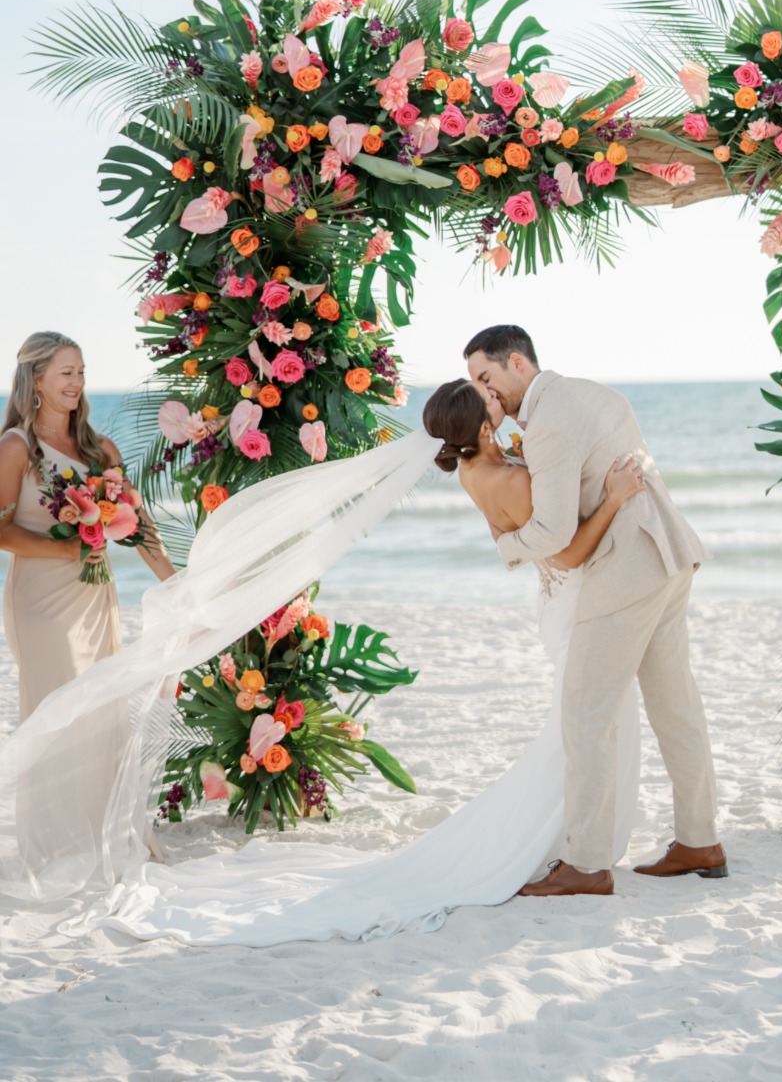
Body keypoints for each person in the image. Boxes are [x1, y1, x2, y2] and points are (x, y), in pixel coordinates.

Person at [38, 382, 645, 942]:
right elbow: (565, 552)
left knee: (579, 726)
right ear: (483, 432)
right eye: (493, 410)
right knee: (577, 730)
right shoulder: (511, 479)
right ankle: (569, 844)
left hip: (557, 605)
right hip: (568, 599)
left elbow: (525, 536)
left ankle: (579, 837)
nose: (503, 411)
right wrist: (613, 498)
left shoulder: (473, 471)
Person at [465, 323, 725, 897]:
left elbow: (554, 532)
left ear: (517, 364)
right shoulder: (592, 392)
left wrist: (507, 546)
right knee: (675, 704)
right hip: (669, 554)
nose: (485, 394)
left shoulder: (550, 424)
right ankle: (699, 838)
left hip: (626, 572)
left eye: (486, 378)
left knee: (586, 714)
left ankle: (585, 863)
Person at [0, 330, 173, 721]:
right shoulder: (16, 447)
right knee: (57, 713)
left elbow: (137, 524)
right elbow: (1, 530)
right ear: (37, 378)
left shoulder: (101, 449)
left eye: (81, 372)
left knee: (100, 716)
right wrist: (65, 548)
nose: (77, 382)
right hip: (40, 602)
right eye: (66, 373)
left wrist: (174, 582)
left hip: (95, 597)